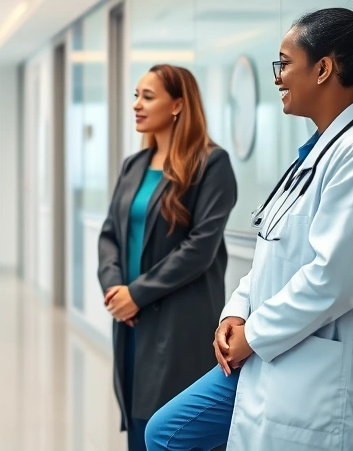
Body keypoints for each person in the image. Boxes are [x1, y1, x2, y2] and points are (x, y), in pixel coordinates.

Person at [146, 0, 353, 451]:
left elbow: (332, 279)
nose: (278, 78)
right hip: (275, 348)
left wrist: (254, 334)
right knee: (165, 433)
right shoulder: (317, 152)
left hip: (321, 368)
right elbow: (272, 250)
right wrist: (235, 313)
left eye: (284, 64)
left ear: (323, 68)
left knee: (167, 436)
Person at [98, 64, 237, 451]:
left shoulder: (211, 164)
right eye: (136, 95)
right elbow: (110, 232)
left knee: (171, 428)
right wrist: (115, 290)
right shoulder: (134, 166)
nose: (136, 105)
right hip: (131, 317)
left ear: (178, 104)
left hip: (178, 321)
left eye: (148, 96)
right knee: (138, 422)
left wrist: (136, 293)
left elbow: (200, 247)